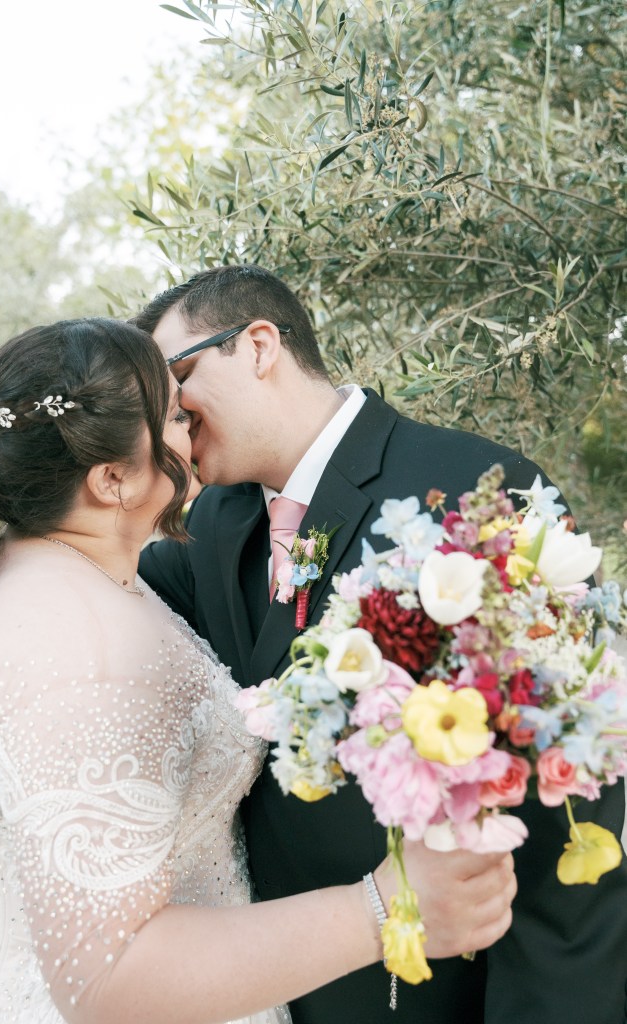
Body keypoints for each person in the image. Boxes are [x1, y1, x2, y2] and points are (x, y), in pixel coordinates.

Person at [0, 317, 516, 1024]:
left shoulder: (64, 576)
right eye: (175, 418)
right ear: (113, 478)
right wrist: (385, 906)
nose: (194, 433)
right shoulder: (78, 655)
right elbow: (109, 980)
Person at [135, 264, 627, 1024]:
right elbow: (92, 569)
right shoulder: (208, 523)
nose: (169, 413)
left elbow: (573, 784)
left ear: (258, 345)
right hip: (277, 986)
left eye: (179, 378)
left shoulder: (467, 489)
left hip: (441, 992)